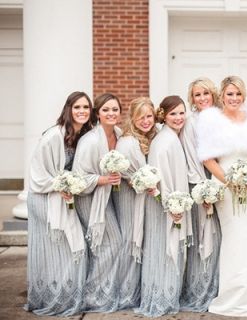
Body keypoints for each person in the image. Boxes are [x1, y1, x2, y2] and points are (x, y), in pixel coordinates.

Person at [196, 76, 247, 316]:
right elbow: (208, 159)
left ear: (244, 96)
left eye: (238, 94)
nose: (234, 98)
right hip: (226, 187)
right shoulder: (211, 120)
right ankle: (233, 295)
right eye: (230, 94)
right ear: (222, 96)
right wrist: (230, 181)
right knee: (235, 238)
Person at [25, 91, 95, 316]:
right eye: (77, 107)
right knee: (55, 250)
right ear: (68, 109)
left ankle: (65, 295)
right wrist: (60, 186)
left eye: (86, 107)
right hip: (43, 198)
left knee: (70, 249)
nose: (82, 111)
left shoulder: (83, 134)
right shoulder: (54, 135)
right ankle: (52, 297)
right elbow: (37, 174)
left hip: (61, 195)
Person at [136, 95, 192, 317]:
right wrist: (172, 206)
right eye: (173, 114)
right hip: (164, 207)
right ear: (164, 116)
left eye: (181, 112)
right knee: (163, 252)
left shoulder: (173, 137)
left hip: (170, 205)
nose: (178, 117)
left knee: (169, 253)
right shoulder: (164, 142)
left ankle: (167, 297)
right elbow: (161, 180)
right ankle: (160, 299)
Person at [73, 93, 123, 312]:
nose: (111, 114)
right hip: (88, 198)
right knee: (109, 244)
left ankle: (105, 292)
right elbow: (77, 179)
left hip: (105, 197)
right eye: (106, 110)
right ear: (97, 114)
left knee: (110, 245)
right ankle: (92, 296)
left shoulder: (119, 135)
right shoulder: (90, 141)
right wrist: (103, 179)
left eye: (115, 109)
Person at [179, 77, 222, 312]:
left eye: (206, 93)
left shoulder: (222, 117)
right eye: (197, 95)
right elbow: (191, 159)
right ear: (192, 99)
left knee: (220, 239)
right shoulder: (190, 122)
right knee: (204, 239)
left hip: (223, 184)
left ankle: (218, 288)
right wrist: (203, 189)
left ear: (213, 94)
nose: (202, 98)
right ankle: (199, 291)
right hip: (202, 187)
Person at [111, 97, 157, 309]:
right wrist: (141, 182)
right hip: (129, 198)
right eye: (141, 117)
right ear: (133, 118)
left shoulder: (146, 137)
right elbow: (129, 175)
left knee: (136, 241)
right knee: (130, 241)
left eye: (149, 116)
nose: (146, 121)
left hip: (139, 195)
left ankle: (134, 291)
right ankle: (126, 293)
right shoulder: (129, 142)